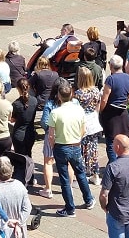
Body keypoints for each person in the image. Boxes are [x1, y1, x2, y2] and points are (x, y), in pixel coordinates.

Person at [48, 78, 95, 217]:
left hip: (61, 147)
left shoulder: (55, 113)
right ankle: (89, 200)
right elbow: (84, 129)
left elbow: (51, 135)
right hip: (75, 146)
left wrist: (53, 146)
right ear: (71, 94)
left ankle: (70, 208)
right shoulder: (79, 110)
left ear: (59, 96)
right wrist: (77, 139)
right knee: (80, 173)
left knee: (64, 179)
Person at [98, 134, 129, 238]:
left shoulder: (112, 167)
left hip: (116, 213)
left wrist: (104, 207)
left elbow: (104, 194)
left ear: (117, 147)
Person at [99, 56, 129, 165]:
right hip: (123, 113)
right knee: (124, 139)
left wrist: (101, 110)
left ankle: (113, 165)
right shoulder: (128, 77)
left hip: (111, 115)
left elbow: (104, 99)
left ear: (111, 66)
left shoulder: (110, 79)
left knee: (111, 142)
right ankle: (123, 163)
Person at [75, 66, 103, 185]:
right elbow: (98, 107)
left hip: (82, 123)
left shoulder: (78, 94)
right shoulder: (96, 91)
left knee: (81, 150)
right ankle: (95, 175)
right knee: (93, 149)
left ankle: (83, 176)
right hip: (94, 122)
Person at [0, 156, 31, 238]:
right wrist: (18, 224)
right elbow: (27, 208)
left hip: (2, 231)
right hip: (19, 232)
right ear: (11, 169)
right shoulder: (20, 185)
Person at [10, 78, 37, 158]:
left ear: (17, 89)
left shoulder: (16, 104)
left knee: (19, 158)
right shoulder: (34, 100)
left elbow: (12, 119)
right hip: (30, 133)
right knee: (28, 155)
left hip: (19, 134)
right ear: (29, 87)